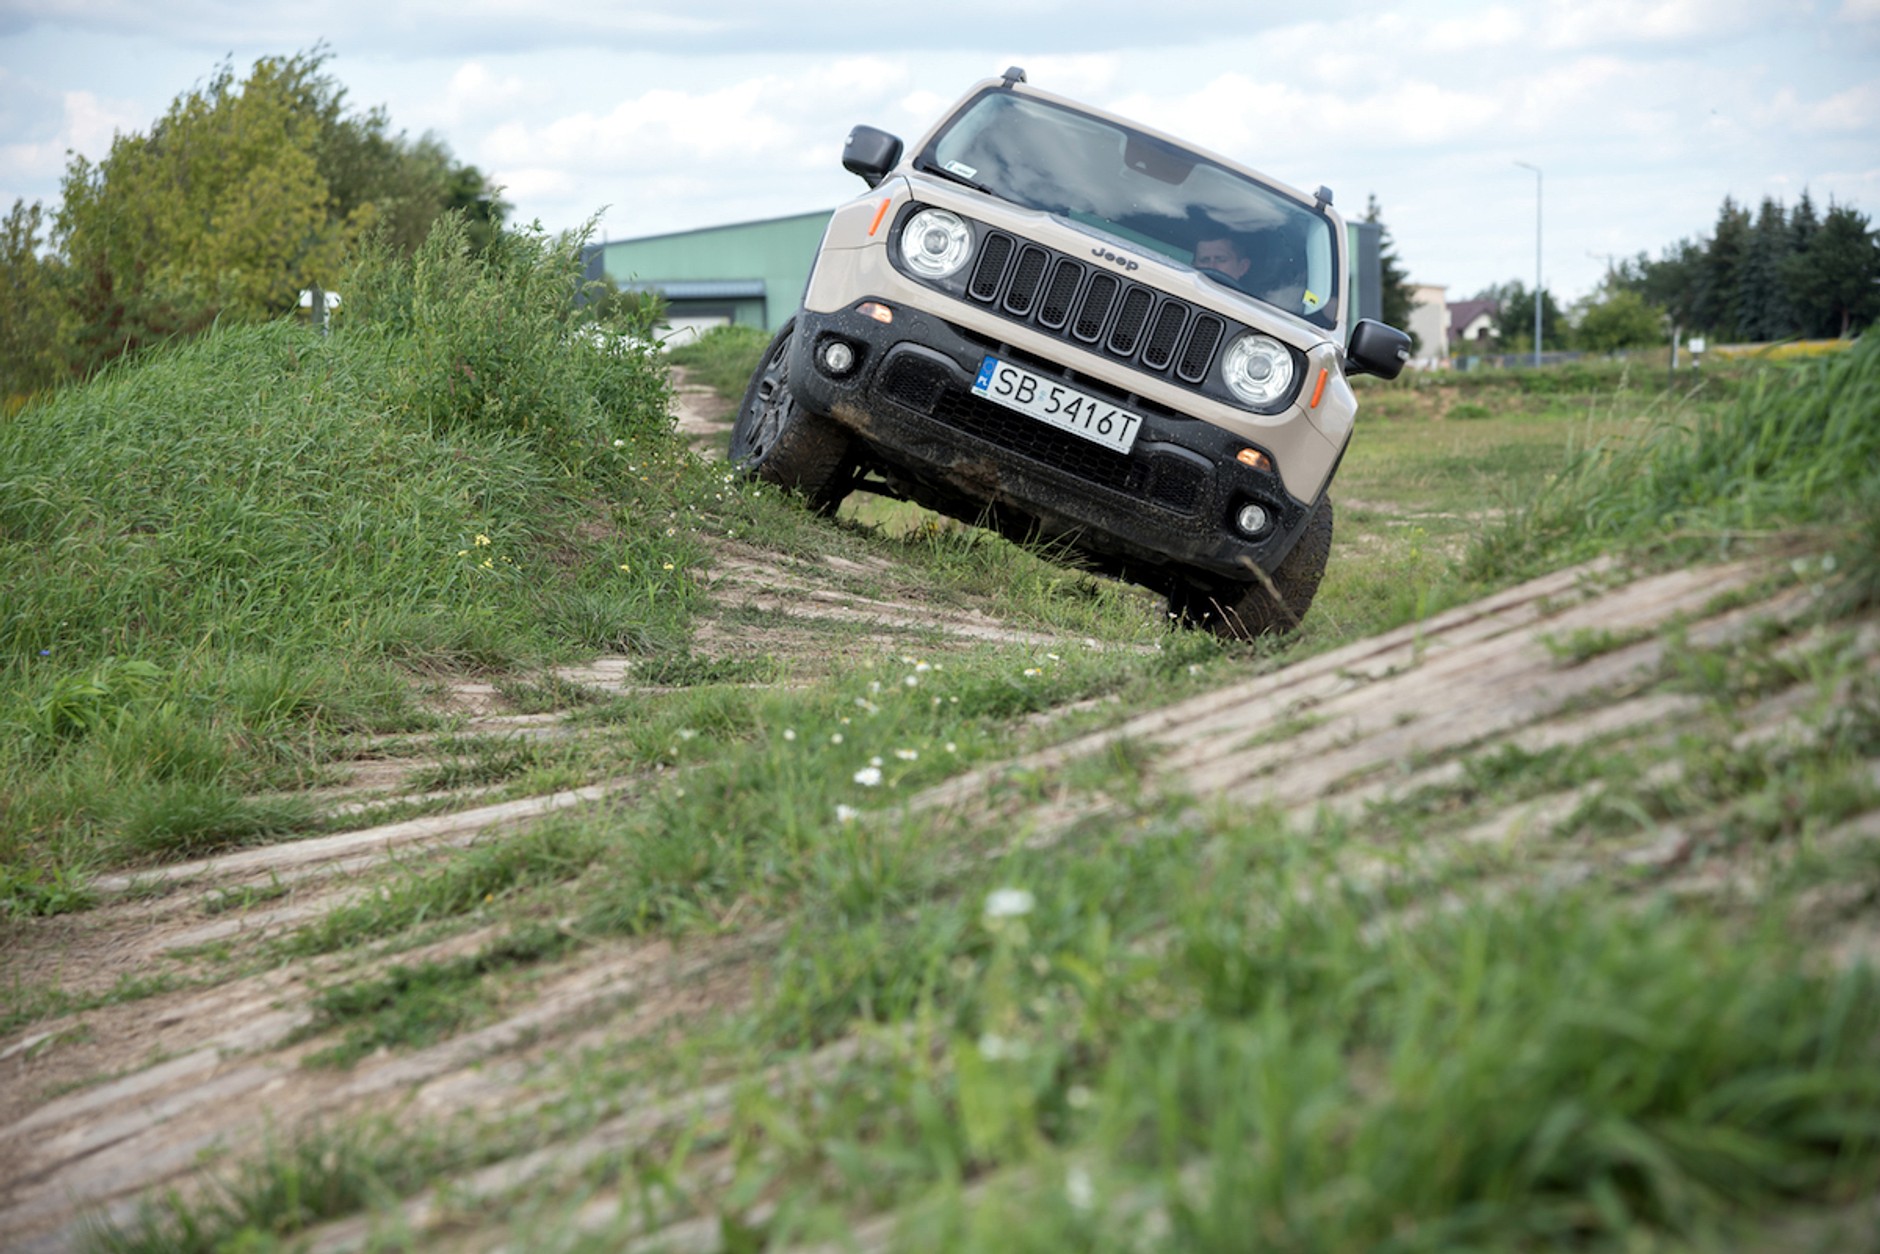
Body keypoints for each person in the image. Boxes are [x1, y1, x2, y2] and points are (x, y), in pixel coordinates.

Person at [1193, 231, 1307, 314]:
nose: (1212, 266)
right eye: (1204, 260)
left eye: (1221, 259)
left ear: (1243, 267)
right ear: (1193, 265)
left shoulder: (1261, 310)